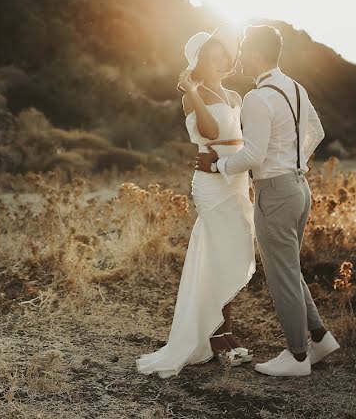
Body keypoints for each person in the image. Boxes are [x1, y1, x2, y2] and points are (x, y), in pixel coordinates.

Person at [195, 25, 340, 377]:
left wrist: (218, 164)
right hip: (299, 188)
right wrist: (294, 161)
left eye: (244, 50)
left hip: (275, 193)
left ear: (258, 54)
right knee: (291, 270)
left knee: (282, 276)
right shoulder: (296, 88)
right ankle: (319, 339)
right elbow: (317, 131)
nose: (239, 56)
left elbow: (254, 155)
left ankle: (297, 355)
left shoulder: (259, 98)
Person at [137, 26, 257, 378]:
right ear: (199, 62)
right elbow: (211, 133)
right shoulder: (192, 94)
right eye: (212, 56)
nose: (222, 61)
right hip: (210, 185)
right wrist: (192, 88)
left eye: (224, 55)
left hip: (235, 182)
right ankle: (222, 336)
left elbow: (244, 143)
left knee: (233, 256)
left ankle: (222, 330)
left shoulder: (236, 96)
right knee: (217, 257)